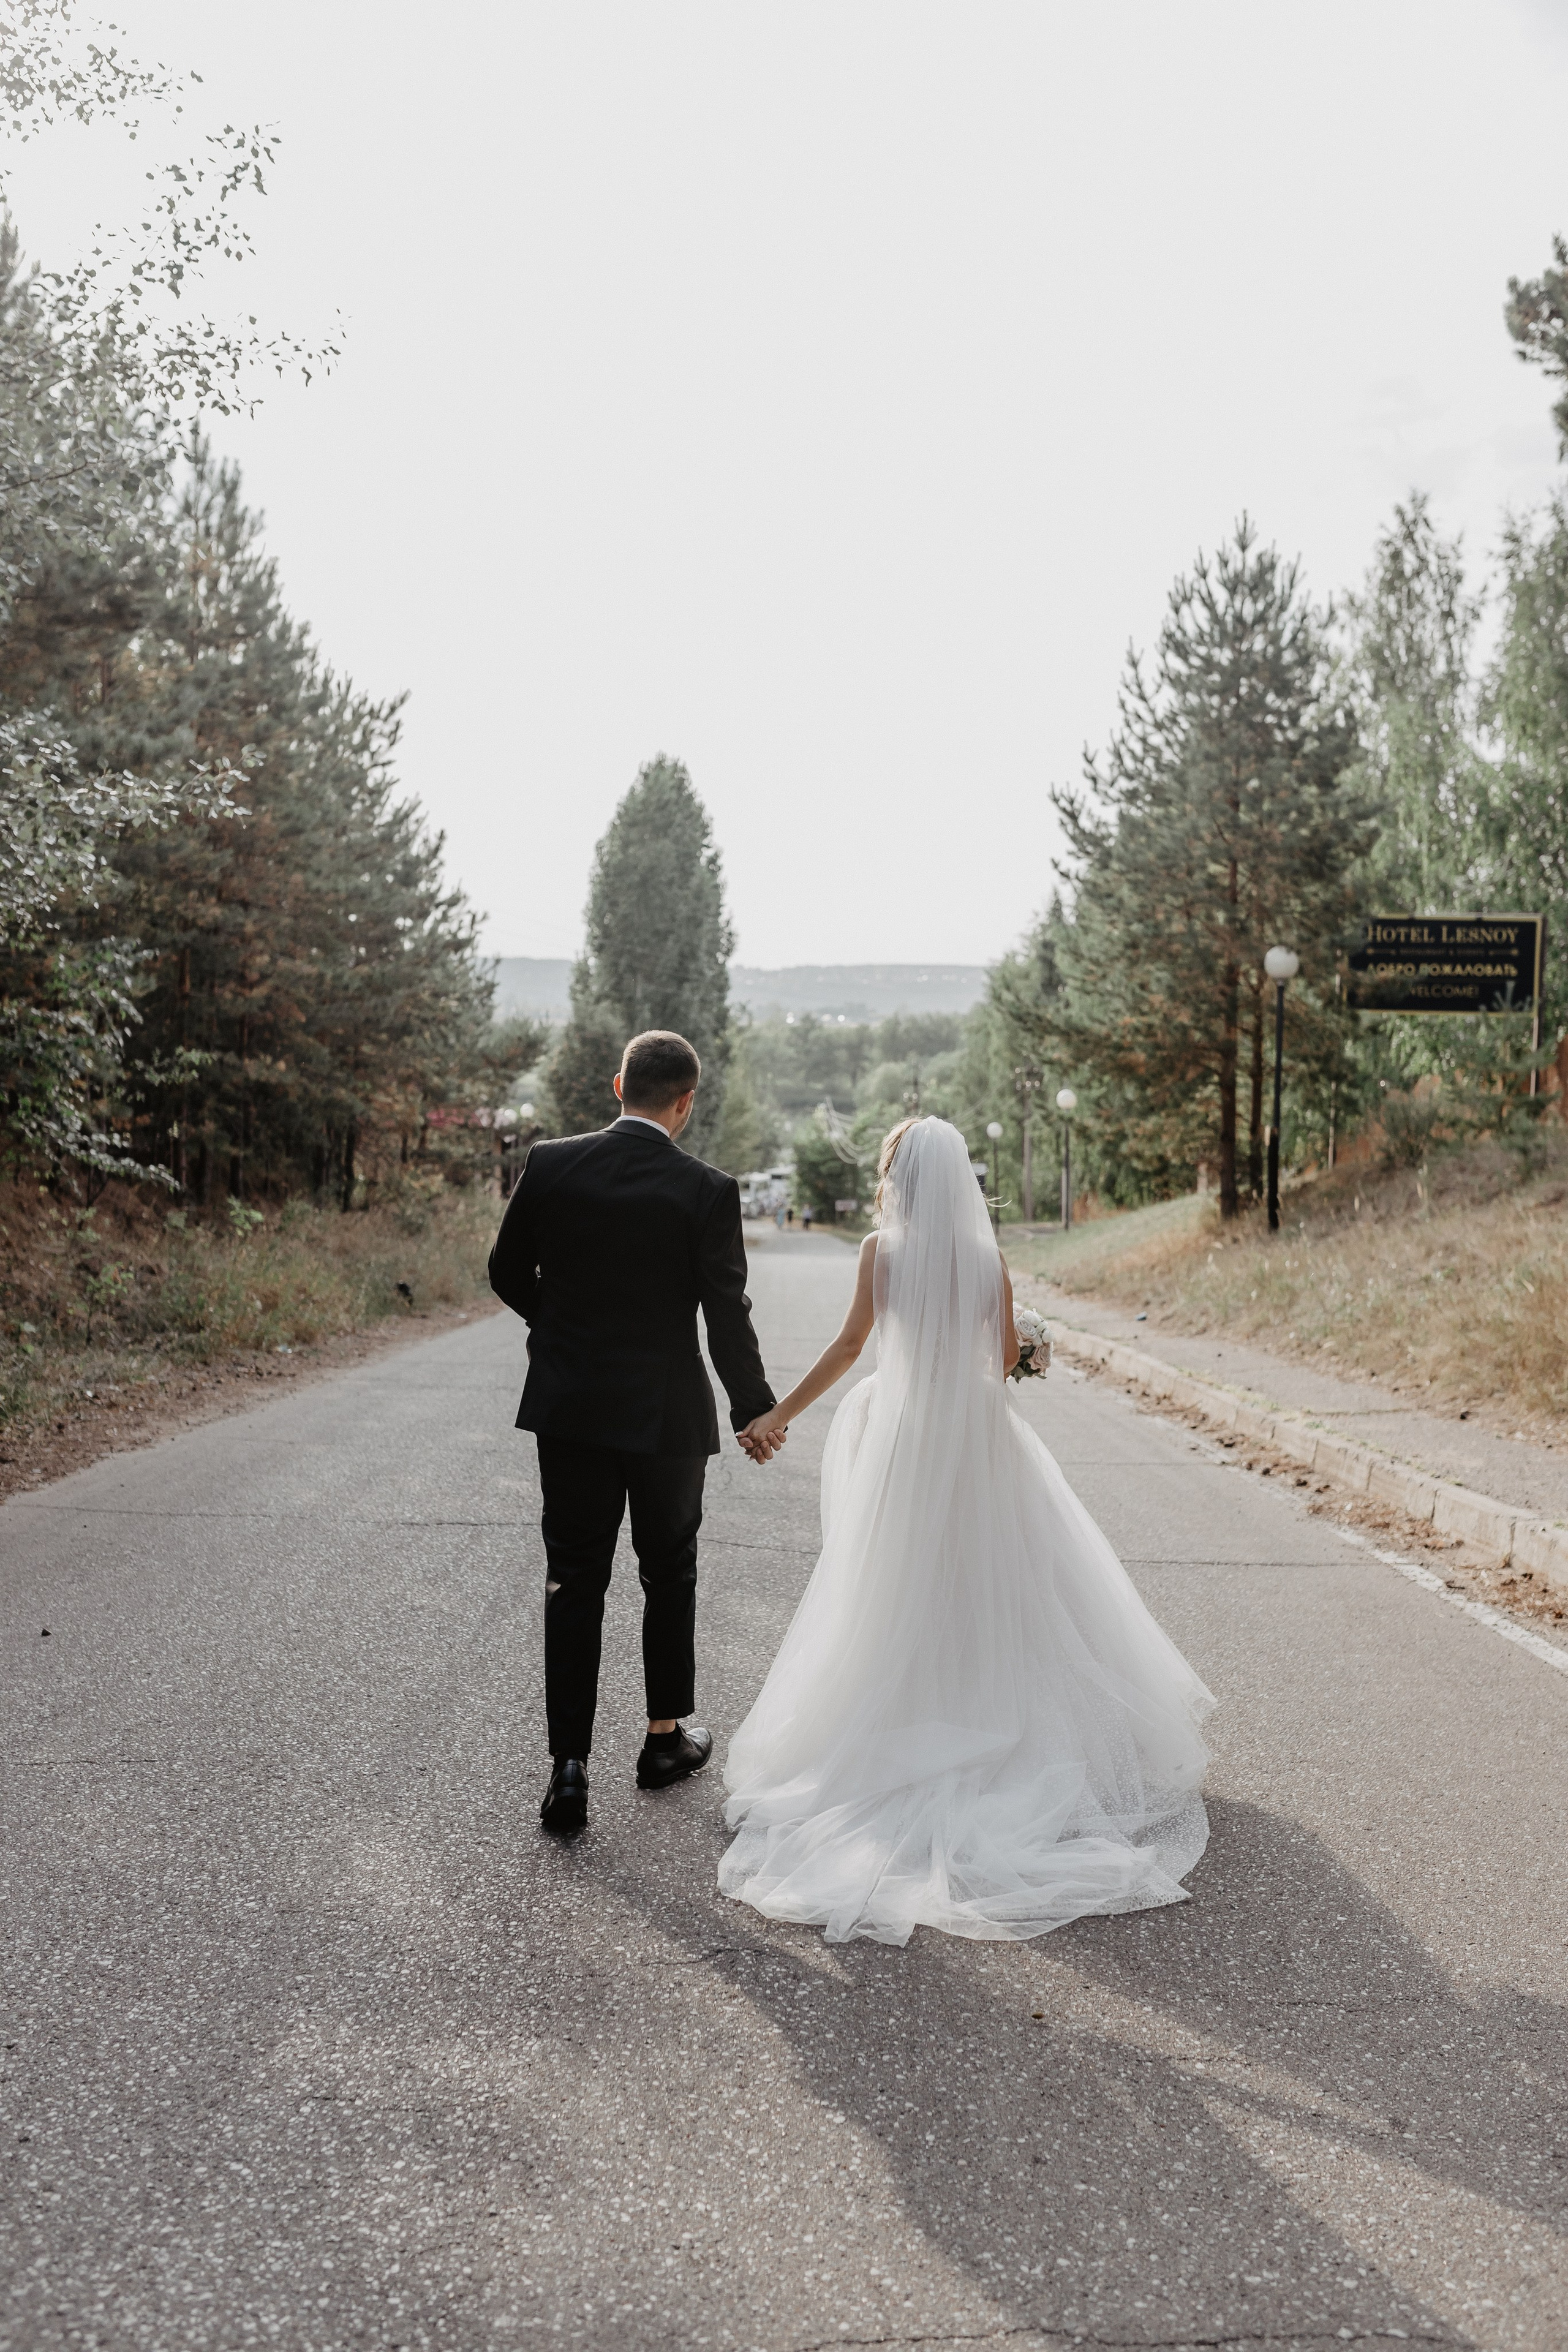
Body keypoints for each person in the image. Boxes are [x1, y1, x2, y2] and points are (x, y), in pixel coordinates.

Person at [720, 1115, 1213, 1945]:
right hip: (978, 1435)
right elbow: (1002, 1356)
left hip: (904, 1432)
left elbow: (850, 1346)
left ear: (899, 1180)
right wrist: (1031, 1349)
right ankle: (1003, 1718)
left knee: (894, 1580)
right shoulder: (989, 1261)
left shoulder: (880, 1252)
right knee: (1004, 1577)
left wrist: (780, 1414)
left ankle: (899, 1716)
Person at [488, 1029, 782, 1835]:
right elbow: (726, 1313)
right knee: (669, 1571)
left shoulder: (551, 1164)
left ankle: (568, 1770)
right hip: (666, 1414)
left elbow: (506, 1271)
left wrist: (559, 1330)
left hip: (570, 1407)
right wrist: (754, 1408)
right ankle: (662, 1741)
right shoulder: (707, 1190)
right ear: (685, 1102)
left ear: (619, 1086)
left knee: (573, 1579)